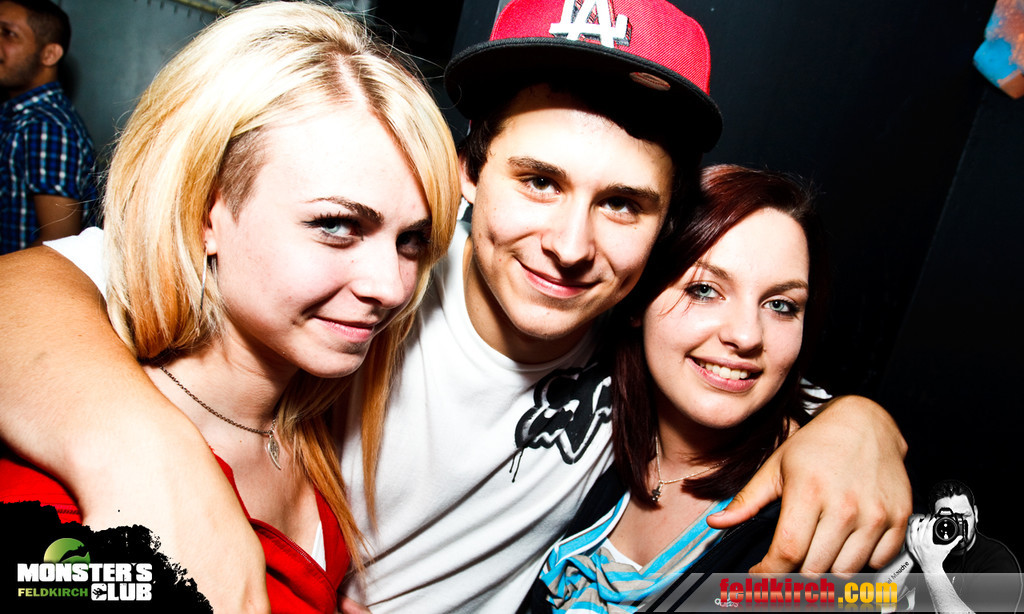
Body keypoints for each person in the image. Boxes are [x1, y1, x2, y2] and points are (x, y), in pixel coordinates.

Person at [0, 0, 910, 612]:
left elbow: (741, 357)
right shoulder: (372, 274)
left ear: (662, 225)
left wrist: (859, 424)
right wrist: (145, 456)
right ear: (471, 173)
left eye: (624, 204)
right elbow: (29, 288)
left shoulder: (630, 324)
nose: (571, 244)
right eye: (539, 180)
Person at [0, 2, 460, 612]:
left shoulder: (310, 416)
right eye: (336, 225)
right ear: (205, 215)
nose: (392, 287)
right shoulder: (70, 500)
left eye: (411, 240)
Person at [527, 164, 829, 612]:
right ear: (637, 301)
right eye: (705, 290)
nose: (747, 335)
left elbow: (903, 596)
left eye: (781, 305)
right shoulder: (594, 440)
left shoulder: (822, 508)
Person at [0, 0, 97, 254]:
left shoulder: (46, 126)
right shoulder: (18, 116)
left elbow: (57, 240)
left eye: (8, 33)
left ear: (49, 55)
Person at [895, 479, 1022, 612]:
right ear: (933, 521)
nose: (954, 524)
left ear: (976, 514)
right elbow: (884, 595)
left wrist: (932, 568)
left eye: (962, 516)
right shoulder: (926, 552)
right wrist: (912, 552)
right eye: (946, 519)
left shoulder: (998, 561)